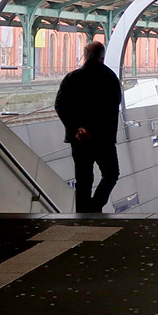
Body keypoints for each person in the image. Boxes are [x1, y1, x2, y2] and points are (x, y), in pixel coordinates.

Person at [55, 41, 123, 214]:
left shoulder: (72, 78)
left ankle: (82, 216)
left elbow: (60, 105)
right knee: (111, 173)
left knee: (83, 180)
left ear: (85, 56)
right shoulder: (111, 78)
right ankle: (95, 207)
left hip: (79, 140)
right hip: (103, 139)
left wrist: (77, 128)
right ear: (102, 57)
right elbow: (111, 108)